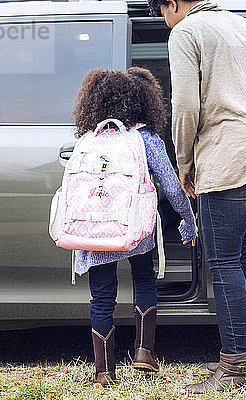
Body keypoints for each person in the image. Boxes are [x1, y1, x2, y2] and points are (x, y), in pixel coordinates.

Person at [148, 0, 246, 393]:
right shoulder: (242, 25)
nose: (165, 20)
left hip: (231, 150)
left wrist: (182, 161)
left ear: (173, 4)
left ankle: (235, 367)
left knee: (224, 259)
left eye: (161, 11)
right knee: (242, 252)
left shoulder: (185, 31)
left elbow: (185, 104)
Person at [72, 67, 198, 387]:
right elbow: (171, 186)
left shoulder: (90, 138)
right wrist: (188, 219)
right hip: (135, 228)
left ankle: (104, 373)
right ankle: (144, 353)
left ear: (93, 102)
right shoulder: (146, 137)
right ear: (145, 101)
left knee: (102, 297)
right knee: (143, 278)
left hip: (96, 230)